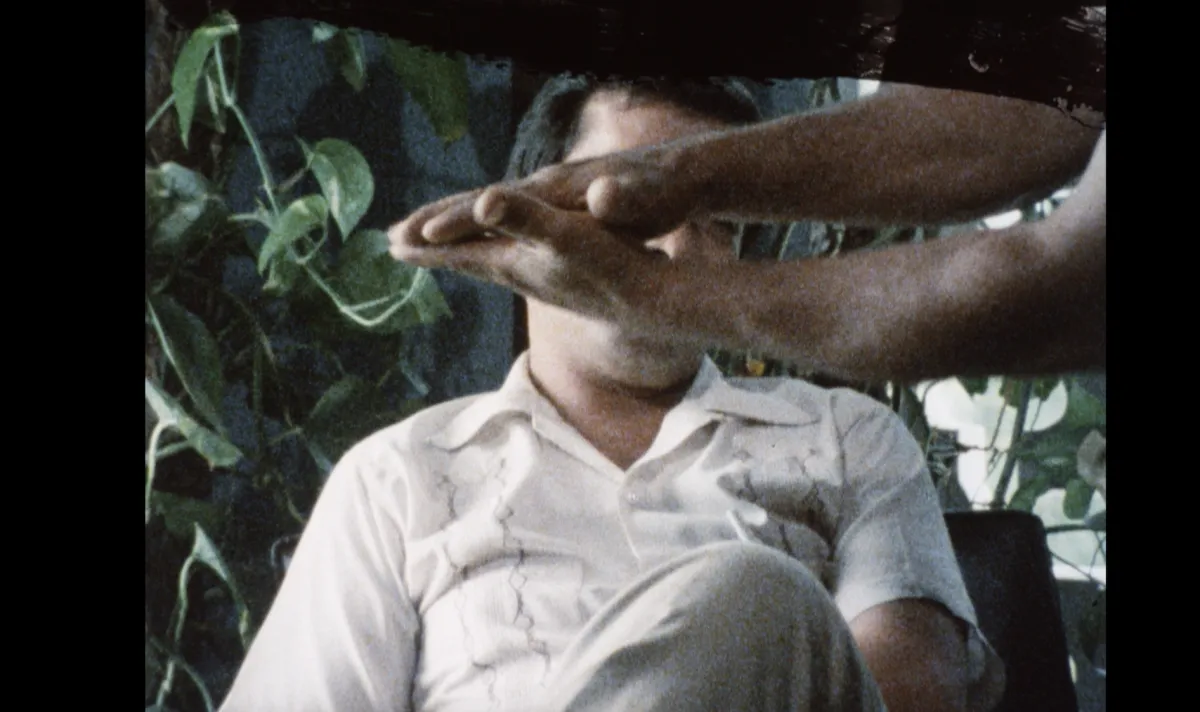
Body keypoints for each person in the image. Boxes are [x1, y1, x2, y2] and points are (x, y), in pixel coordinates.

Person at [222, 74, 1004, 712]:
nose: (676, 245)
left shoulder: (842, 437)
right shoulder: (400, 477)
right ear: (524, 223)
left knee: (757, 598)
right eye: (628, 205)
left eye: (716, 220)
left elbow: (906, 697)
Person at [389, 81, 1105, 383]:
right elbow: (1003, 120)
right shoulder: (396, 482)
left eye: (717, 227)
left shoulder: (844, 452)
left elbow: (1066, 292)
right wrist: (677, 174)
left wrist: (648, 291)